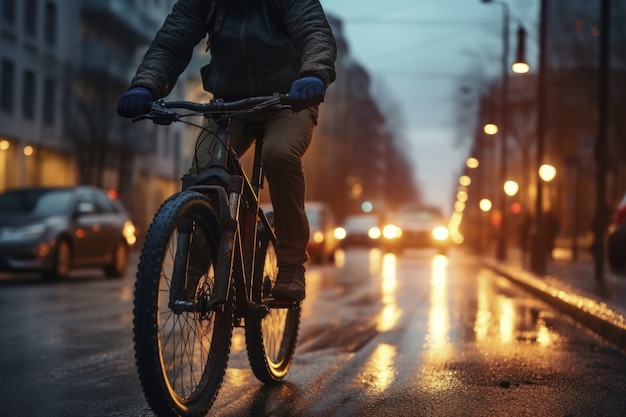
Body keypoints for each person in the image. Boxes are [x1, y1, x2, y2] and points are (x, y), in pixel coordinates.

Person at [117, 0, 337, 302]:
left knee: (280, 155)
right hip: (229, 105)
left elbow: (314, 32)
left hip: (289, 99)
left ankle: (290, 265)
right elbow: (171, 43)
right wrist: (146, 85)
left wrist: (312, 73)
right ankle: (191, 274)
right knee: (204, 175)